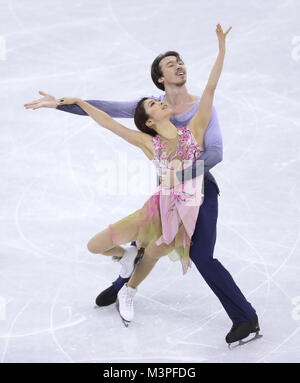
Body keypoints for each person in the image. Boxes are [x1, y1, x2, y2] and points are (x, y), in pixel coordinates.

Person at [24, 25, 260, 345]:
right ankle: (125, 281)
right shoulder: (151, 108)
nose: (179, 65)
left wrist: (221, 50)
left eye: (181, 60)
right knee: (146, 241)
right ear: (160, 79)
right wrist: (62, 103)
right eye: (170, 63)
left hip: (200, 189)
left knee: (196, 254)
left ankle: (244, 318)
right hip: (168, 196)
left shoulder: (198, 114)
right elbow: (106, 113)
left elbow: (215, 151)